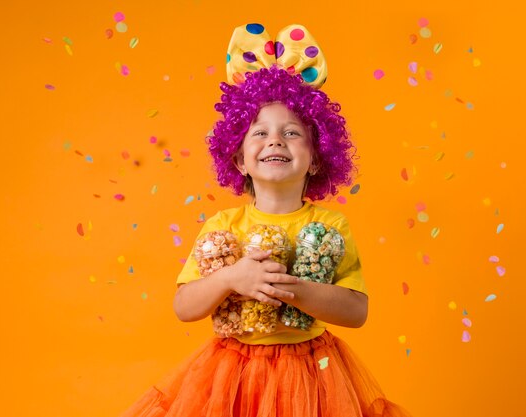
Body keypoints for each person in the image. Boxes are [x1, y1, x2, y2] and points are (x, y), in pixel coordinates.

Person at [120, 23, 411, 417]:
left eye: (292, 133)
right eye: (260, 132)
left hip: (313, 375)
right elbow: (184, 306)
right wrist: (230, 278)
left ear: (318, 158)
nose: (275, 140)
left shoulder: (331, 228)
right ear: (239, 160)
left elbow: (356, 312)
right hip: (230, 376)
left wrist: (293, 290)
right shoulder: (223, 227)